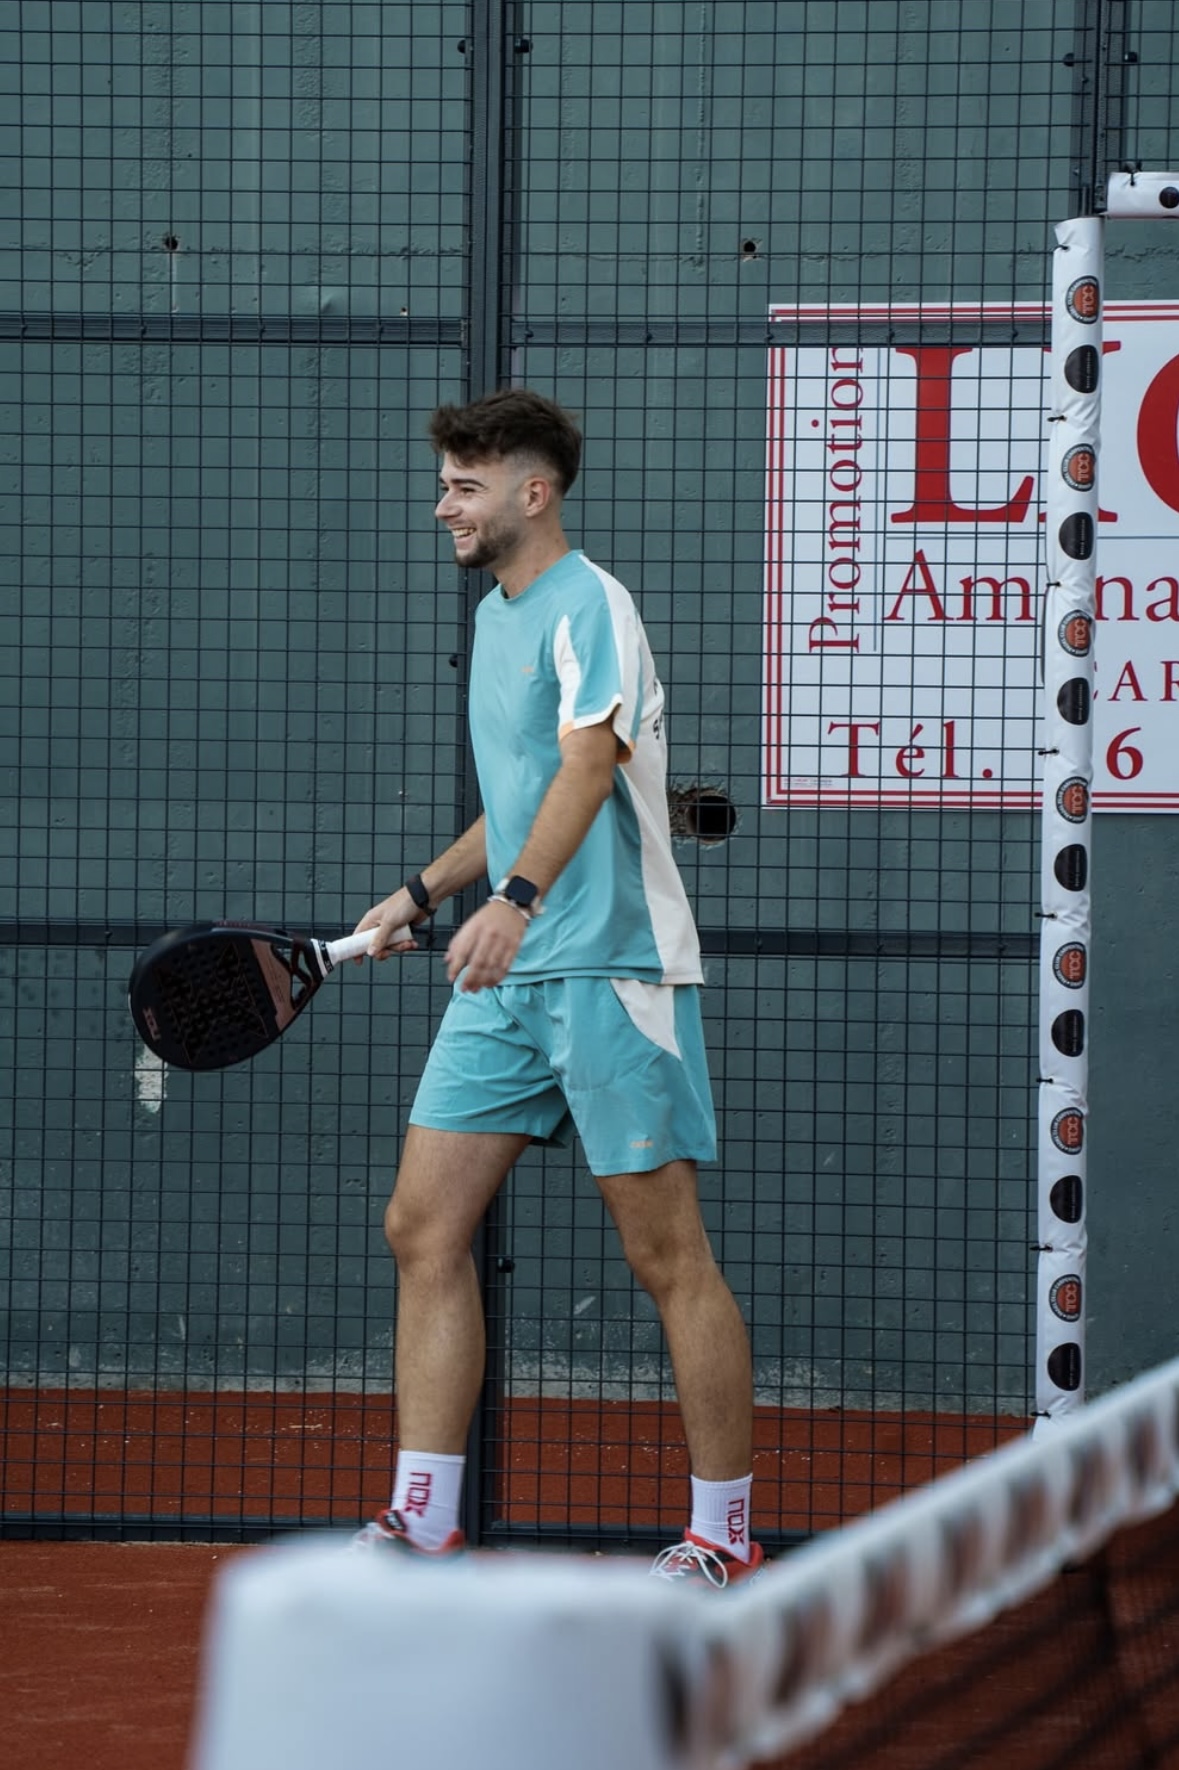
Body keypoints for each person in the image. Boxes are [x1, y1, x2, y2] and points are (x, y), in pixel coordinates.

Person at [351, 389, 762, 1587]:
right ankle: (424, 1521)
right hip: (509, 972)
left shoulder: (593, 606)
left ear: (533, 493)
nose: (443, 506)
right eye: (444, 483)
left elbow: (589, 765)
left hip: (610, 967)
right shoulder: (497, 618)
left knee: (666, 1254)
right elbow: (523, 800)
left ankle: (723, 1536)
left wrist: (514, 903)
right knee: (422, 1226)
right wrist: (423, 893)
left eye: (464, 487)